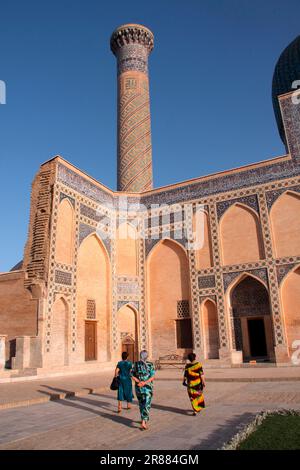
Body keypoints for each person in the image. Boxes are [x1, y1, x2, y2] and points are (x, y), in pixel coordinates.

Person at [131, 350, 155, 430]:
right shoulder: (150, 364)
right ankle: (144, 421)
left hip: (139, 387)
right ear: (147, 356)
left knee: (142, 404)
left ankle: (143, 419)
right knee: (146, 404)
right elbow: (152, 377)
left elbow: (131, 375)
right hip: (147, 387)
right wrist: (144, 382)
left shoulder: (135, 364)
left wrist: (139, 381)